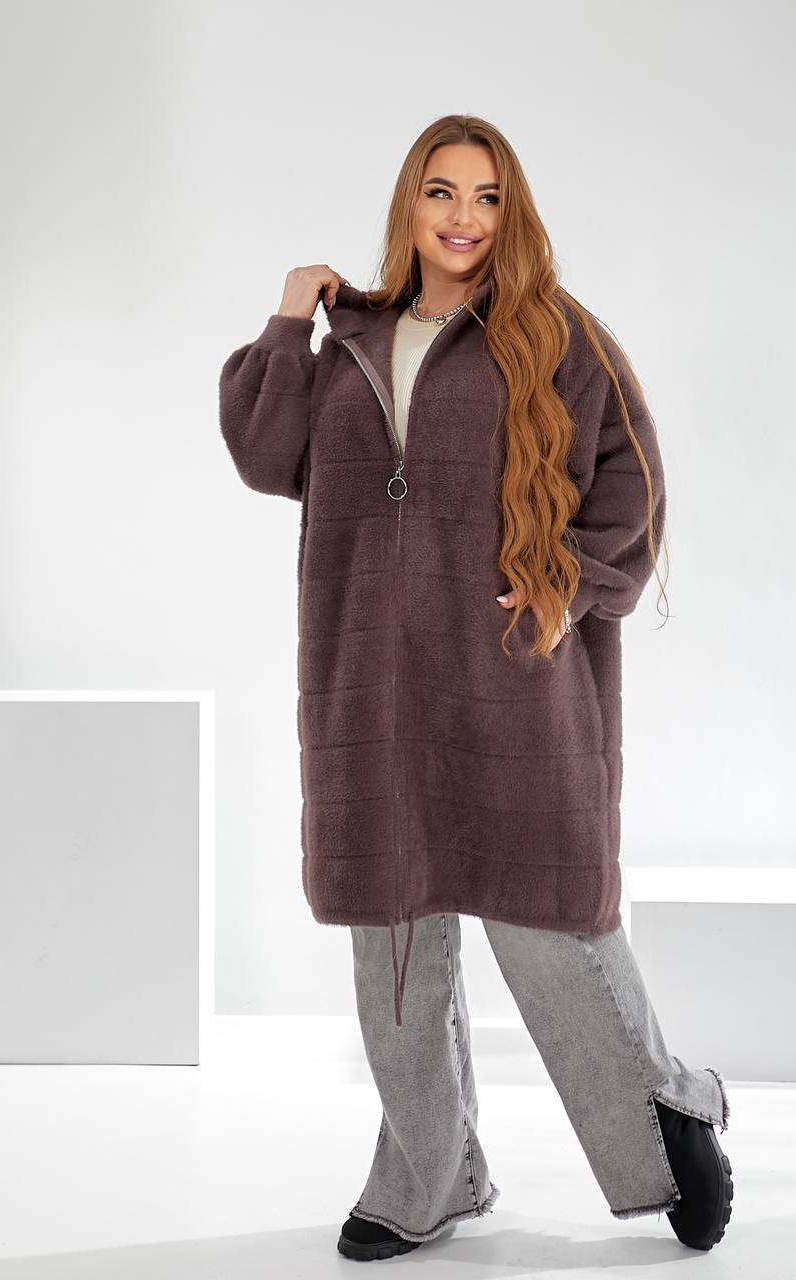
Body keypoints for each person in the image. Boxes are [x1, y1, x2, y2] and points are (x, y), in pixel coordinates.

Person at [218, 113, 733, 1261]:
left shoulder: (555, 335)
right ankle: (428, 1174)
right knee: (392, 933)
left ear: (513, 213)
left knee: (547, 915)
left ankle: (667, 1120)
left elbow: (632, 482)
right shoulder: (350, 339)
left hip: (509, 675)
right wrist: (290, 318)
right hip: (369, 682)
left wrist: (568, 583)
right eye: (442, 192)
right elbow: (263, 452)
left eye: (487, 196)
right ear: (410, 203)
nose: (463, 217)